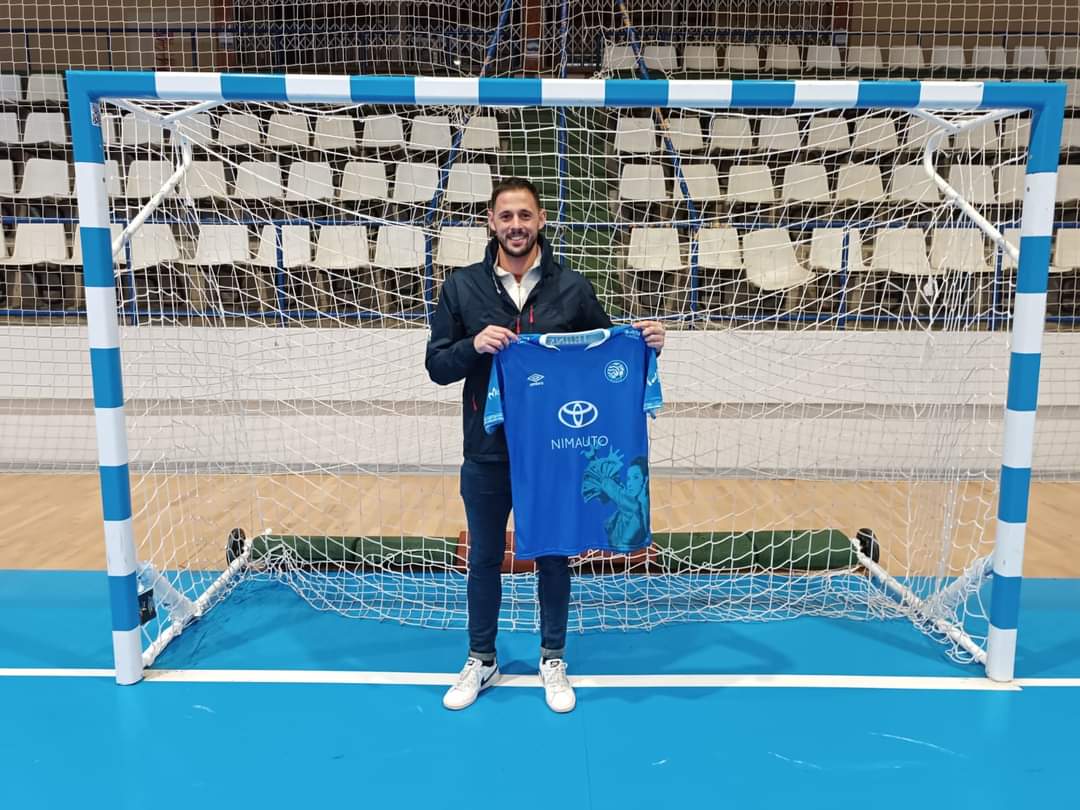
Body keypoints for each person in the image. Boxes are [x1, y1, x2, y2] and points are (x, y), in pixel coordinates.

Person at [425, 177, 666, 713]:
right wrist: (473, 344)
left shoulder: (571, 288)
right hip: (487, 449)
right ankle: (481, 657)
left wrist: (645, 344)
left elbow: (608, 360)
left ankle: (552, 657)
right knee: (485, 556)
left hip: (558, 450)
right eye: (506, 216)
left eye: (525, 215)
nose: (516, 225)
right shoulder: (462, 287)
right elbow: (437, 365)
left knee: (554, 553)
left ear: (540, 221)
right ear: (491, 222)